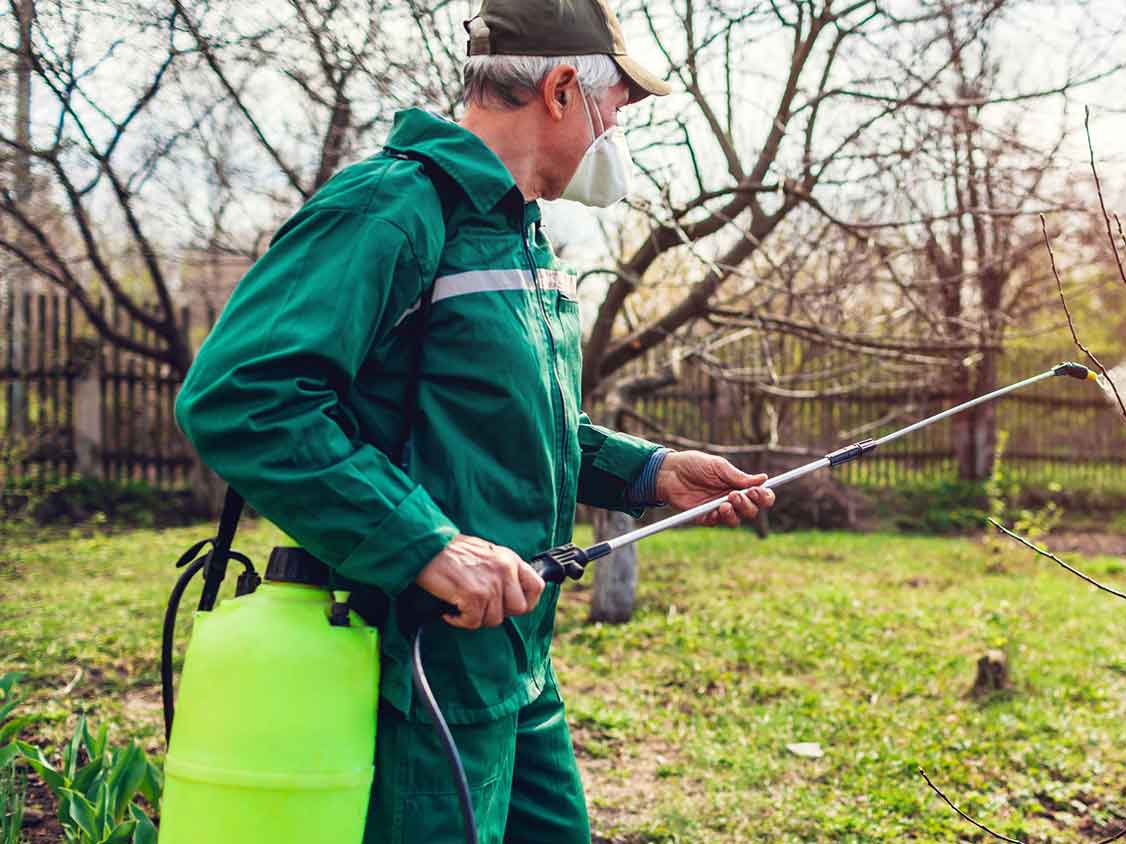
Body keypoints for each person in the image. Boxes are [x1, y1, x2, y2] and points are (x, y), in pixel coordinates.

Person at [174, 1, 774, 840]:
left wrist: (650, 471)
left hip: (515, 661)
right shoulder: (391, 207)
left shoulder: (518, 237)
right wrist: (426, 543)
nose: (617, 137)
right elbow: (242, 398)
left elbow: (506, 424)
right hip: (408, 668)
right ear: (563, 89)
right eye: (618, 112)